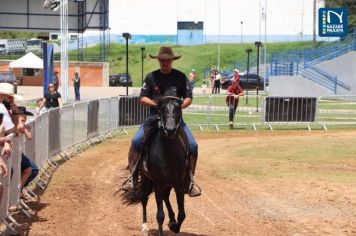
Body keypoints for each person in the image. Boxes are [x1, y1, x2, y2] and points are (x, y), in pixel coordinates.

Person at [122, 46, 201, 197]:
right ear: (158, 60)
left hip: (176, 120)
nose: (165, 62)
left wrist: (178, 109)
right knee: (136, 141)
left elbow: (189, 97)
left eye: (168, 60)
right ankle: (131, 177)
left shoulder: (180, 77)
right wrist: (156, 104)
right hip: (153, 118)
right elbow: (142, 98)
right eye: (162, 60)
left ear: (172, 60)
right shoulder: (151, 77)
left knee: (193, 145)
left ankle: (190, 181)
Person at [12, 106, 39, 192]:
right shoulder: (18, 125)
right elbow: (29, 137)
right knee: (30, 169)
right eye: (23, 120)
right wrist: (25, 129)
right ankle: (17, 191)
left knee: (33, 169)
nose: (25, 122)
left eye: (25, 120)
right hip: (14, 152)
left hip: (17, 152)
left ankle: (19, 189)